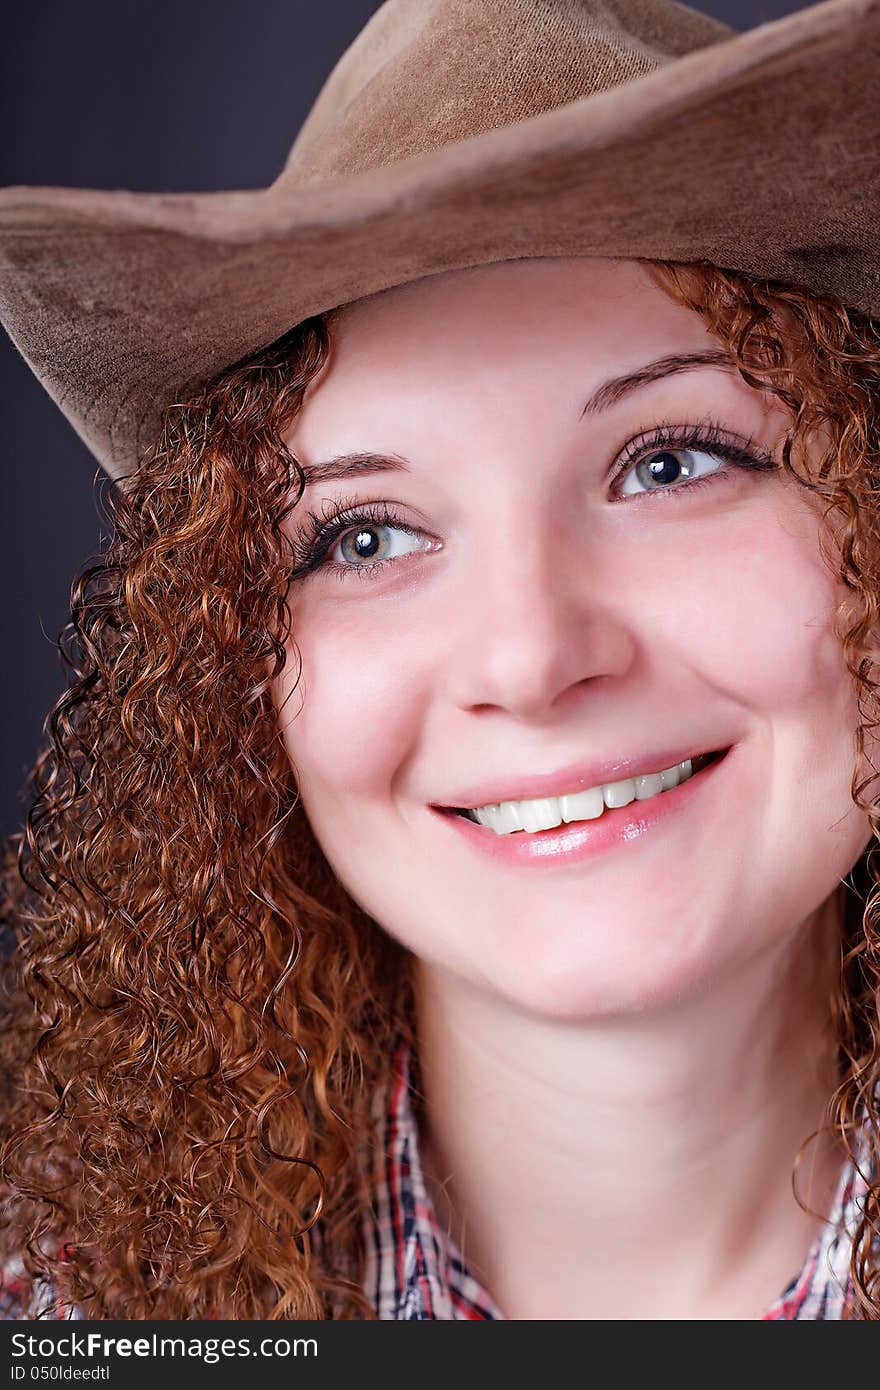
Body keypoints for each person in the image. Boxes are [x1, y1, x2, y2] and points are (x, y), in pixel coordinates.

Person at [0, 0, 878, 1321]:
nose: (532, 659)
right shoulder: (68, 1310)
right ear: (233, 655)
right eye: (366, 532)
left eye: (671, 461)